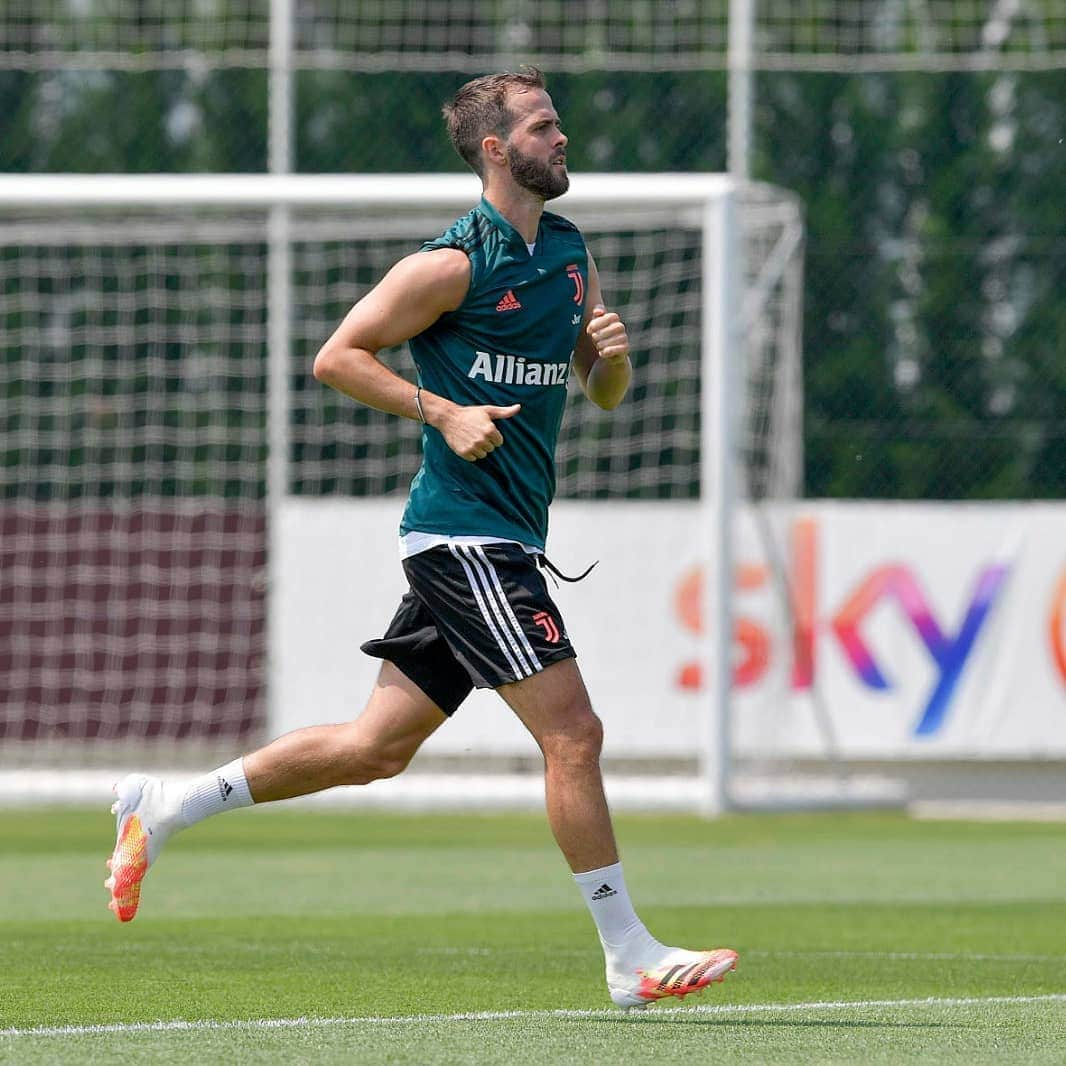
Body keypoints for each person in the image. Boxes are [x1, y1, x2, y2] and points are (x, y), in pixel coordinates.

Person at [106, 66, 737, 1010]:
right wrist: (441, 411)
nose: (562, 140)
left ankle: (165, 808)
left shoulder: (569, 256)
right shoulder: (450, 263)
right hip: (461, 540)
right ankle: (629, 955)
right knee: (576, 733)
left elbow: (602, 395)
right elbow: (337, 357)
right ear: (497, 149)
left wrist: (612, 361)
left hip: (508, 540)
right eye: (544, 127)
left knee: (375, 747)